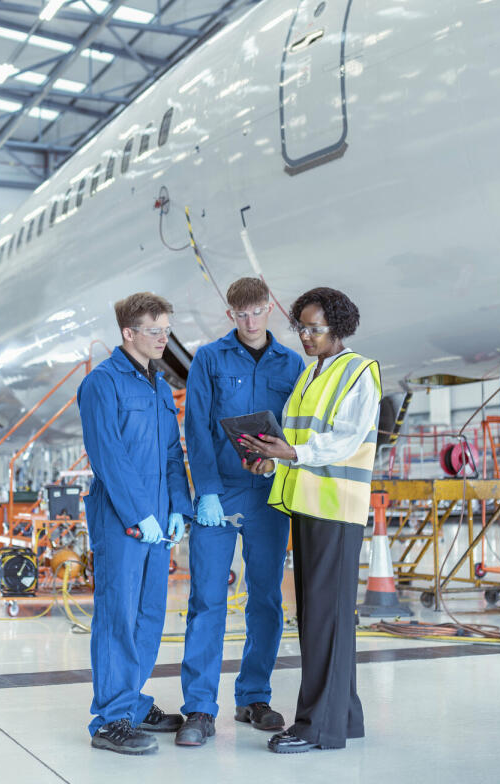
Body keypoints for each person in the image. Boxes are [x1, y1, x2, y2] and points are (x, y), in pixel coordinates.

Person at [238, 287, 380, 754]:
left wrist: (293, 453)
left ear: (337, 328)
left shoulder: (358, 373)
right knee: (320, 618)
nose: (304, 335)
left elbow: (346, 439)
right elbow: (296, 441)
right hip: (309, 505)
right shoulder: (311, 375)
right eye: (300, 326)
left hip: (337, 509)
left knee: (326, 620)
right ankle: (345, 716)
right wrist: (272, 459)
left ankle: (316, 726)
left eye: (313, 328)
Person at [175, 278, 304, 748]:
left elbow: (296, 428)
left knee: (266, 599)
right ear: (230, 315)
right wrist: (205, 490)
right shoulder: (209, 358)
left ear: (270, 308)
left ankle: (254, 697)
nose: (250, 322)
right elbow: (198, 426)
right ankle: (200, 708)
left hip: (270, 494)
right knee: (207, 600)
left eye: (257, 312)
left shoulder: (292, 364)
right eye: (241, 314)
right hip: (222, 493)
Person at [76, 291, 193, 755]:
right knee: (117, 617)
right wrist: (137, 514)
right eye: (154, 331)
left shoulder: (160, 387)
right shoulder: (102, 383)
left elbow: (170, 453)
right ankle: (110, 719)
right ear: (128, 333)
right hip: (121, 520)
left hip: (158, 522)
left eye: (167, 329)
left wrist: (178, 509)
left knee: (148, 617)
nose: (164, 338)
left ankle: (132, 700)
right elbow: (108, 455)